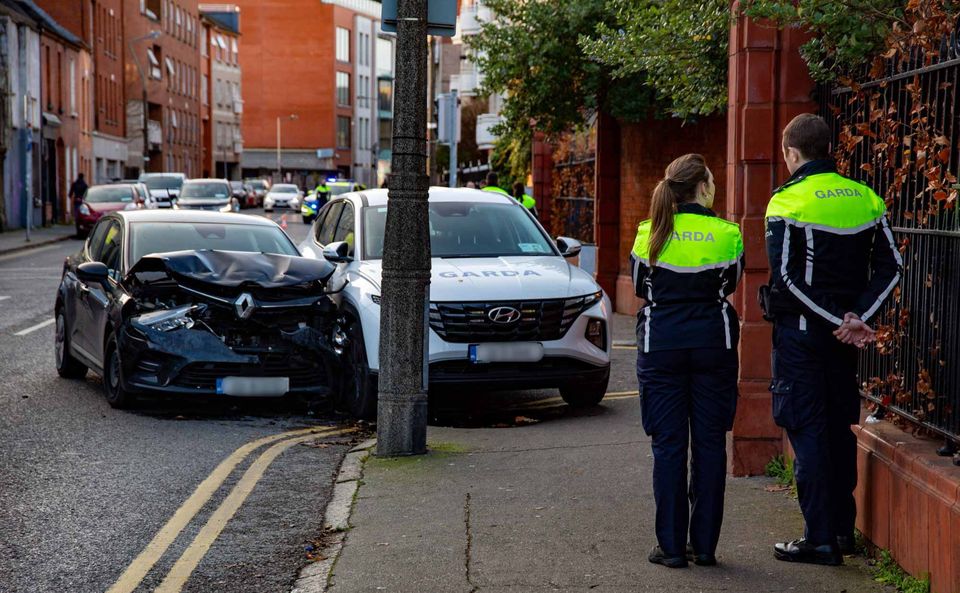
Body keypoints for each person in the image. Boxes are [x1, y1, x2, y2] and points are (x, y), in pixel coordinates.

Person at [763, 114, 902, 566]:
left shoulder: (786, 202)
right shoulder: (865, 198)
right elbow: (892, 267)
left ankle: (819, 539)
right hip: (846, 341)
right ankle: (842, 531)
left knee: (807, 431)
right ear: (828, 149)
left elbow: (786, 280)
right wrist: (858, 318)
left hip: (804, 338)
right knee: (839, 430)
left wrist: (835, 319)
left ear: (792, 152)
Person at [631, 154, 744, 569]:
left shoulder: (648, 233)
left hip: (661, 347)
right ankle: (706, 547)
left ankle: (672, 548)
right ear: (702, 187)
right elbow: (730, 282)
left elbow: (643, 290)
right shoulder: (727, 233)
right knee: (711, 445)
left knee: (668, 446)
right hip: (715, 345)